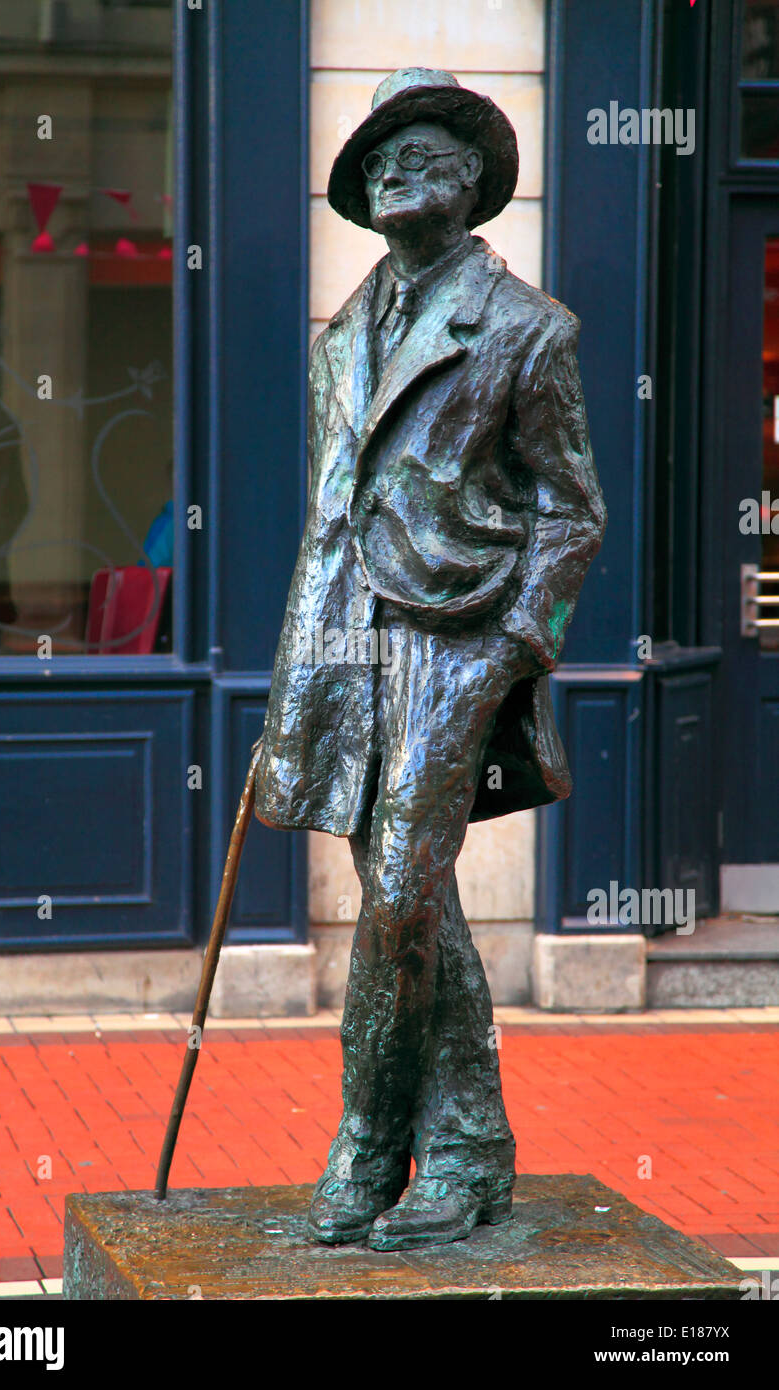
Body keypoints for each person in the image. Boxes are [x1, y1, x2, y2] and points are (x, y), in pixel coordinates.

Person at [254, 68, 607, 1251]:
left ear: (473, 183)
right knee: (420, 905)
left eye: (428, 152)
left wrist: (519, 641)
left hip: (460, 638)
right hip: (345, 640)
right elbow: (326, 515)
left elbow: (572, 512)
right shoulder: (339, 337)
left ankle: (364, 1140)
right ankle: (466, 1151)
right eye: (380, 157)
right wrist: (296, 674)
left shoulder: (525, 328)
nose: (400, 168)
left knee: (399, 894)